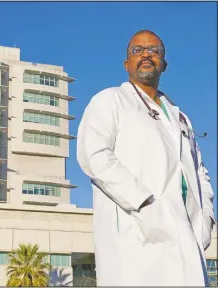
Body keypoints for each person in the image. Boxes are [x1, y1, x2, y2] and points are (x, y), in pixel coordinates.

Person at [76, 30, 215, 286]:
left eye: (154, 50)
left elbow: (200, 173)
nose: (145, 55)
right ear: (126, 63)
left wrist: (206, 218)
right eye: (136, 50)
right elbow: (93, 155)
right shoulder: (109, 101)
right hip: (135, 233)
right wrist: (145, 204)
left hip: (188, 235)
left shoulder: (180, 117)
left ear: (164, 64)